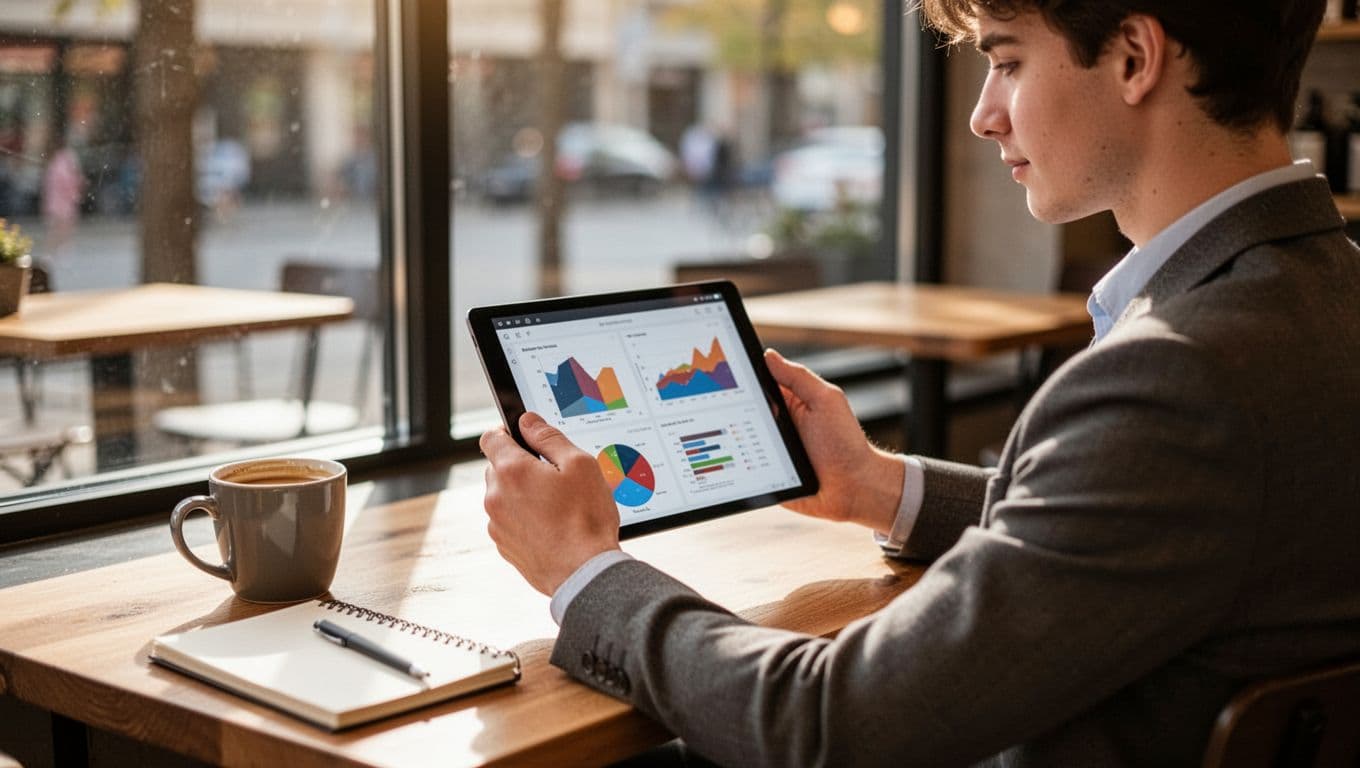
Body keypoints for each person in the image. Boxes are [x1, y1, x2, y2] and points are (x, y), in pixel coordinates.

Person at [480, 0, 1360, 764]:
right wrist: (876, 487)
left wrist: (585, 570)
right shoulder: (1327, 293)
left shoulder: (1176, 375)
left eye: (1008, 61)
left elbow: (828, 725)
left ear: (1135, 57)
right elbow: (1143, 533)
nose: (983, 115)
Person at [41, 131, 84, 261]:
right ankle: (59, 248)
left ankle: (59, 248)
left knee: (60, 225)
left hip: (59, 199)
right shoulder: (65, 159)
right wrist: (75, 190)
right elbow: (68, 178)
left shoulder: (58, 160)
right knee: (61, 225)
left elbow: (57, 180)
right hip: (62, 199)